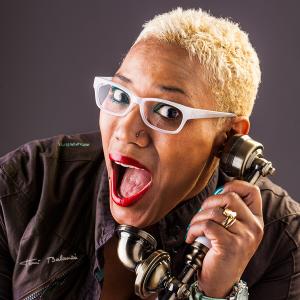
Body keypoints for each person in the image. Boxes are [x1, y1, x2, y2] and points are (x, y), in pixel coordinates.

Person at [0, 7, 299, 300]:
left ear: (229, 137)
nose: (126, 130)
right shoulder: (21, 187)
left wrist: (214, 294)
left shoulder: (283, 239)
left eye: (167, 112)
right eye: (120, 95)